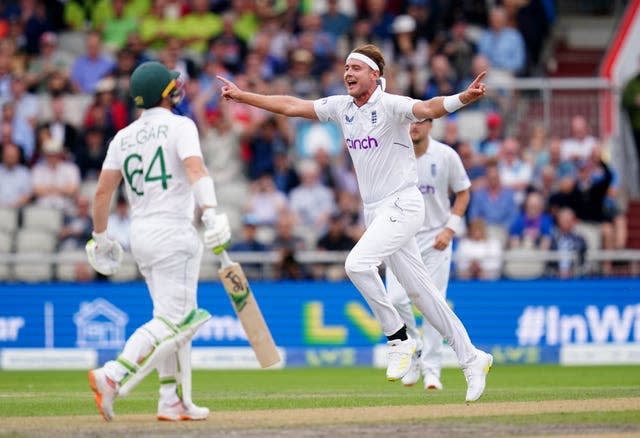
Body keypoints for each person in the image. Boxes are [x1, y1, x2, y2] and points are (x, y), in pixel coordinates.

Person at [218, 43, 493, 402]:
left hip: (404, 203)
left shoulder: (391, 105)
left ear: (374, 75)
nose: (347, 73)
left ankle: (398, 339)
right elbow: (290, 105)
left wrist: (462, 99)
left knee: (357, 264)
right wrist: (242, 96)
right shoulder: (341, 108)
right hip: (376, 210)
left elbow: (427, 108)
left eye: (355, 68)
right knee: (421, 295)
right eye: (346, 67)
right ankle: (472, 357)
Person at [85, 61, 231, 422]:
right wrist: (211, 211)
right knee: (177, 322)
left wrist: (100, 238)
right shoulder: (180, 125)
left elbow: (103, 192)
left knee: (167, 318)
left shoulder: (123, 137)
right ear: (167, 93)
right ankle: (112, 375)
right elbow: (196, 169)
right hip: (173, 233)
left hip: (140, 235)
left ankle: (171, 399)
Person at [385, 117, 471, 391]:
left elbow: (463, 193)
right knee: (395, 299)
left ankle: (432, 371)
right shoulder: (393, 153)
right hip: (401, 238)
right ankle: (414, 350)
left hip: (436, 239)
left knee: (434, 305)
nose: (415, 126)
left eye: (421, 121)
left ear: (431, 125)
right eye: (411, 121)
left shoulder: (445, 155)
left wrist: (450, 230)